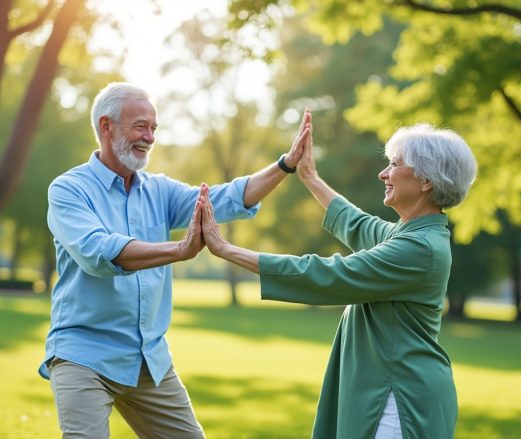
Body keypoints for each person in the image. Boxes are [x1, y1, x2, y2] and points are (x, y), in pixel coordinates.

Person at [39, 82, 310, 438]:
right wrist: (178, 251)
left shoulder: (158, 190)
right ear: (106, 127)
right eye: (140, 126)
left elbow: (224, 198)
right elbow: (97, 252)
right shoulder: (69, 189)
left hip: (148, 359)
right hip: (84, 354)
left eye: (153, 128)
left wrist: (285, 165)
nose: (150, 137)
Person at [198, 113, 477, 439]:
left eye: (395, 165)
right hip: (390, 389)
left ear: (426, 181)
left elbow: (329, 274)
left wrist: (225, 249)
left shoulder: (419, 249)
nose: (383, 173)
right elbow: (357, 225)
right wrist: (310, 177)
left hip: (399, 398)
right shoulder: (412, 235)